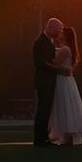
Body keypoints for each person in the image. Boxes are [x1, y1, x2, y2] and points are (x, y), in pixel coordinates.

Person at [48, 26, 82, 145]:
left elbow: (55, 63)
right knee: (66, 106)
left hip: (63, 80)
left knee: (65, 107)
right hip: (66, 80)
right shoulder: (66, 48)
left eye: (62, 33)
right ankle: (67, 136)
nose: (60, 34)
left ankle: (68, 136)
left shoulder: (65, 49)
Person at [32, 17, 67, 147]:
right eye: (58, 30)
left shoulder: (48, 41)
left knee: (46, 110)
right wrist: (58, 70)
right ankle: (40, 139)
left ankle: (44, 137)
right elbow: (40, 63)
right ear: (50, 27)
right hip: (44, 81)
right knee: (43, 110)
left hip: (48, 81)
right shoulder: (41, 42)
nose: (59, 33)